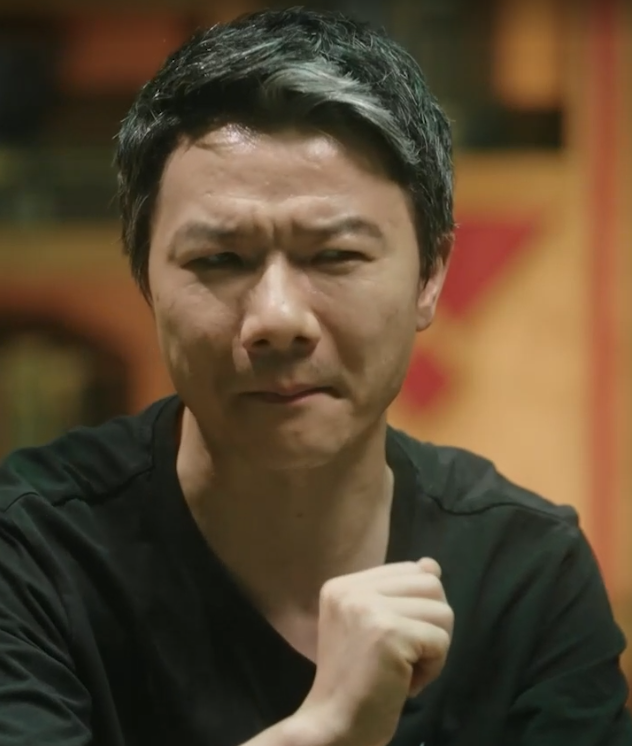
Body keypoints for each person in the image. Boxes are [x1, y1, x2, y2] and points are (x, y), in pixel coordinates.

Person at [0, 7, 629, 746]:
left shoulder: (525, 575)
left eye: (334, 256)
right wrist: (330, 728)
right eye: (219, 260)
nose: (277, 318)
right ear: (145, 279)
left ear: (430, 276)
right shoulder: (32, 550)